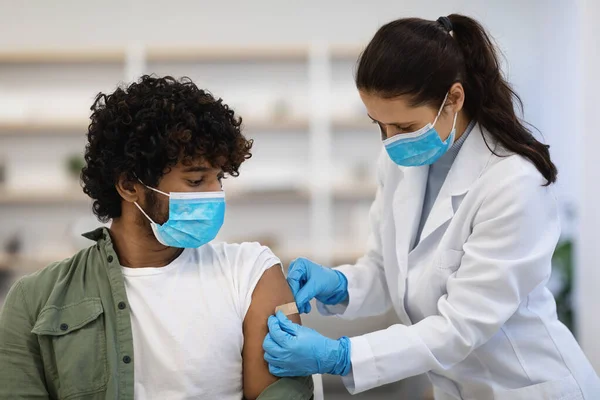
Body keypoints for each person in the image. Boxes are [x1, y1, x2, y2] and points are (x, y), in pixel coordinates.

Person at [263, 14, 600, 400]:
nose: (390, 141)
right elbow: (386, 270)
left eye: (405, 127)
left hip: (528, 388)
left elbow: (459, 327)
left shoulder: (512, 183)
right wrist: (339, 286)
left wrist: (342, 356)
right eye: (379, 125)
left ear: (454, 98)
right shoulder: (399, 164)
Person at [0, 76, 313, 400]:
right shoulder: (35, 300)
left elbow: (285, 391)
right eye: (195, 181)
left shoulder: (252, 272)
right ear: (129, 185)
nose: (215, 193)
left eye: (217, 178)